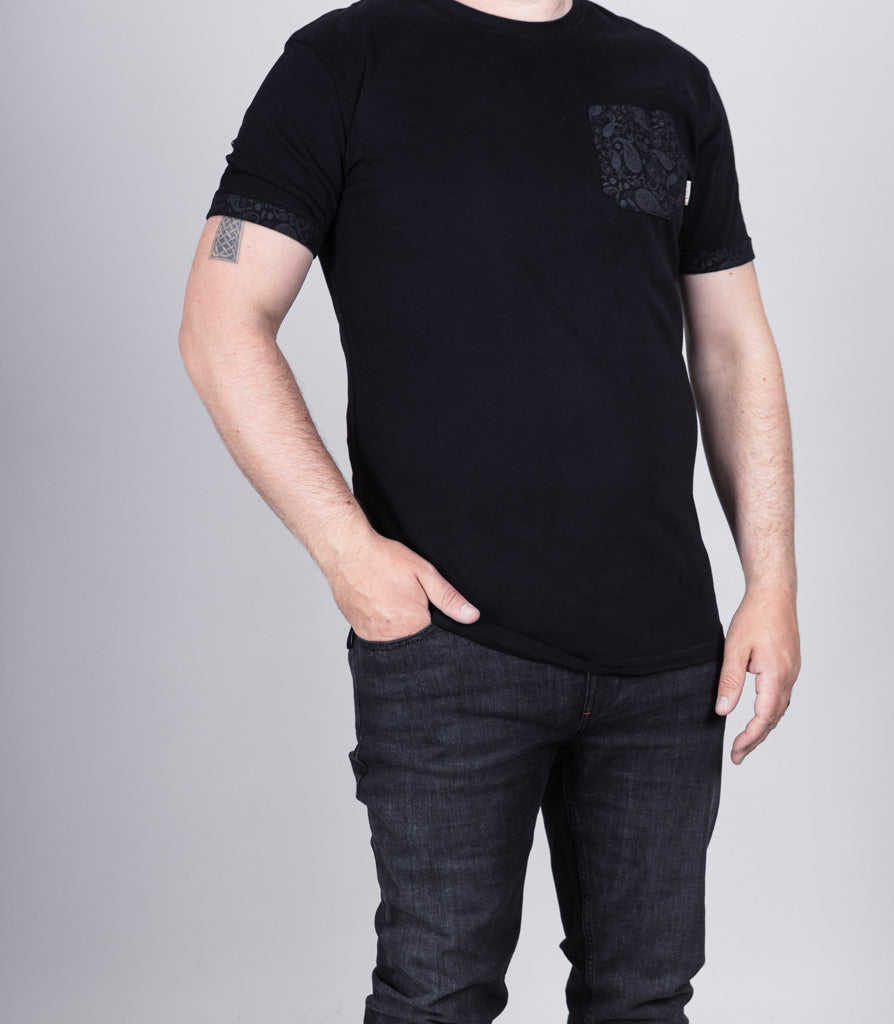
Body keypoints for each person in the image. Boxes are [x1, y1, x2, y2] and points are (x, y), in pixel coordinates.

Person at [178, 0, 801, 1020]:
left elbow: (733, 346)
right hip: (451, 645)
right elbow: (220, 319)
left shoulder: (668, 79)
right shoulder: (345, 60)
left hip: (666, 661)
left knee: (647, 1001)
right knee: (437, 998)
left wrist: (771, 583)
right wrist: (347, 550)